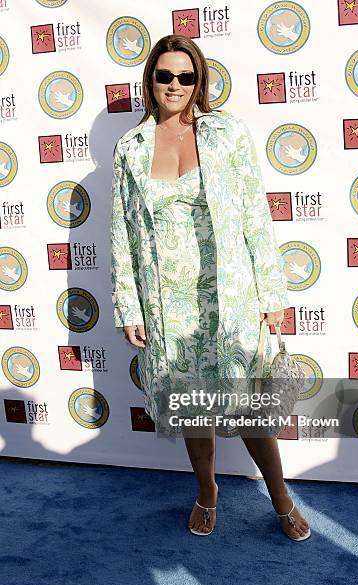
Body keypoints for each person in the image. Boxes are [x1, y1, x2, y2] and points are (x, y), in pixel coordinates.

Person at [111, 34, 310, 542]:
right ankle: (207, 492)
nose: (174, 85)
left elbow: (253, 213)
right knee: (191, 405)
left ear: (199, 82)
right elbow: (121, 233)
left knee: (249, 407)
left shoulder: (226, 133)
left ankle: (281, 498)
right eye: (164, 75)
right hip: (166, 302)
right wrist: (129, 305)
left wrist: (272, 294)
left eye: (186, 76)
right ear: (150, 80)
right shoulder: (130, 148)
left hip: (230, 295)